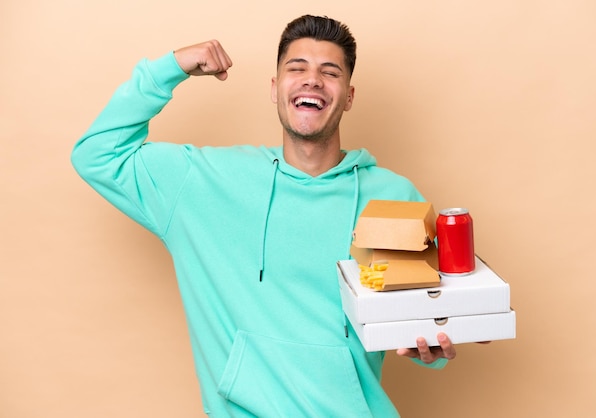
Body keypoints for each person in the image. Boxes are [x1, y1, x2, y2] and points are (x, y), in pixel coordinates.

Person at [72, 14, 457, 418]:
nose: (312, 80)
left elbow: (423, 326)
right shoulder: (203, 183)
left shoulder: (394, 198)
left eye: (329, 72)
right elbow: (97, 154)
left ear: (348, 96)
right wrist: (171, 67)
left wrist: (433, 348)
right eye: (297, 68)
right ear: (275, 89)